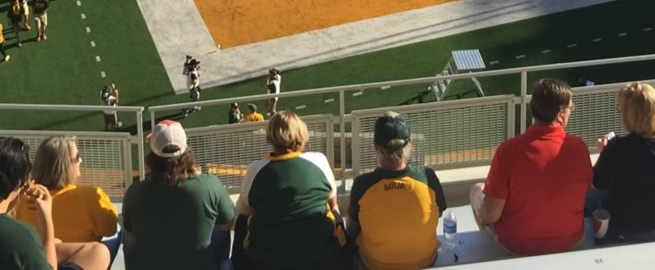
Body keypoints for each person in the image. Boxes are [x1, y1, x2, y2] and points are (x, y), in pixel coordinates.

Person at [0, 135, 110, 270]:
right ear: (20, 184)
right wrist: (46, 219)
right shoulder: (21, 237)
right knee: (99, 252)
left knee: (57, 244)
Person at [472, 78, 592, 254]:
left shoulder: (508, 151)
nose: (571, 112)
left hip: (516, 245)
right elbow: (584, 190)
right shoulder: (579, 147)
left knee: (476, 189)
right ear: (560, 115)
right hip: (570, 241)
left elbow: (490, 214)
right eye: (570, 109)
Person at [235, 111, 346, 269]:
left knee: (242, 221)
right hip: (322, 256)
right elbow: (332, 202)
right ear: (301, 134)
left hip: (267, 260)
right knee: (334, 212)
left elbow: (244, 211)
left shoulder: (256, 169)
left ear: (271, 136)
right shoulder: (319, 160)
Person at [122, 120, 235, 270]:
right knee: (218, 227)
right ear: (186, 150)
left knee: (127, 236)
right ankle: (219, 263)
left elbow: (130, 230)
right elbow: (227, 222)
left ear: (153, 155)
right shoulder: (210, 185)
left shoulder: (135, 192)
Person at [589, 83, 655, 245]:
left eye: (622, 110)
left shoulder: (618, 148)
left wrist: (604, 153)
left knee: (589, 197)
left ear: (631, 116)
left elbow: (598, 182)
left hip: (628, 229)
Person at [346, 112, 444, 270]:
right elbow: (438, 212)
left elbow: (353, 225)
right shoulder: (428, 177)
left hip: (373, 265)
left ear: (376, 146)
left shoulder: (362, 184)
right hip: (425, 262)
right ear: (410, 143)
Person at [18, 136, 120, 257]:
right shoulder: (90, 197)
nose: (81, 160)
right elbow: (110, 229)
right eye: (77, 157)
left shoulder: (23, 199)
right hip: (81, 263)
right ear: (65, 165)